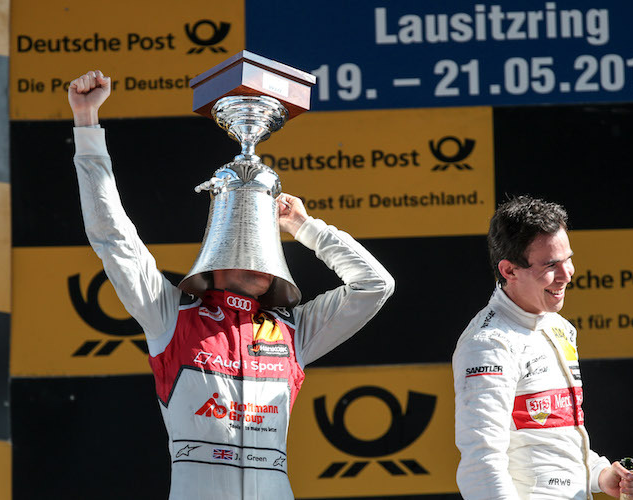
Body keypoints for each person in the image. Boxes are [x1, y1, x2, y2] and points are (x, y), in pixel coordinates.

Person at [68, 70, 395, 499]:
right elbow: (114, 239)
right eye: (242, 234)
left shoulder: (293, 332)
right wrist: (87, 124)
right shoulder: (171, 315)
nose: (257, 253)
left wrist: (303, 226)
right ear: (216, 239)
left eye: (262, 236)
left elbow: (375, 285)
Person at [452, 195, 633, 499]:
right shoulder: (489, 343)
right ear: (509, 271)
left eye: (567, 259)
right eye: (551, 265)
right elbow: (481, 462)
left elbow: (554, 439)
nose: (567, 274)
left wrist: (600, 475)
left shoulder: (558, 327)